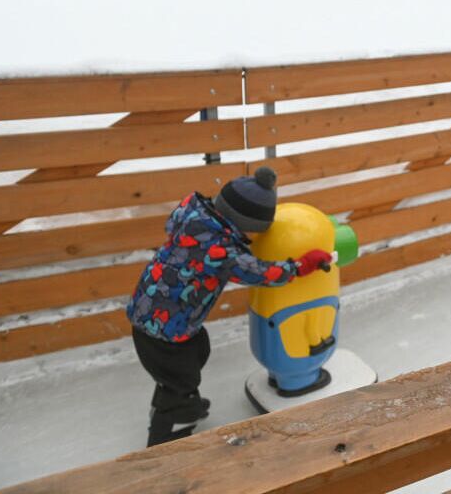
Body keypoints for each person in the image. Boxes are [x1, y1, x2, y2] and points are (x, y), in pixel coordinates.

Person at [126, 166, 332, 447]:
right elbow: (260, 273)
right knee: (181, 378)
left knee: (198, 351)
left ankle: (179, 400)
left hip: (155, 315)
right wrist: (300, 265)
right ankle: (164, 439)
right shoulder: (219, 250)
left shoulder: (195, 217)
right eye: (255, 232)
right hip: (164, 331)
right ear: (243, 222)